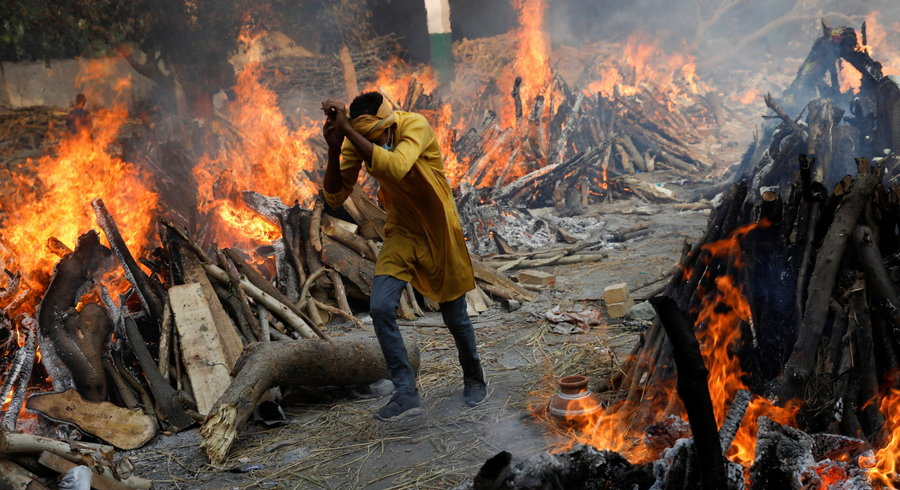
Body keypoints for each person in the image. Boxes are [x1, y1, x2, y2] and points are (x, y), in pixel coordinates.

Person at [320, 92, 487, 421]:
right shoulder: (359, 139)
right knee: (381, 306)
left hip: (438, 228)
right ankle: (406, 393)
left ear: (387, 123)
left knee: (455, 316)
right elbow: (336, 194)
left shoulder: (415, 125)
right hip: (402, 231)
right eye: (364, 137)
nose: (371, 143)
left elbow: (396, 167)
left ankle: (473, 377)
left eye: (375, 136)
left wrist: (350, 131)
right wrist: (334, 146)